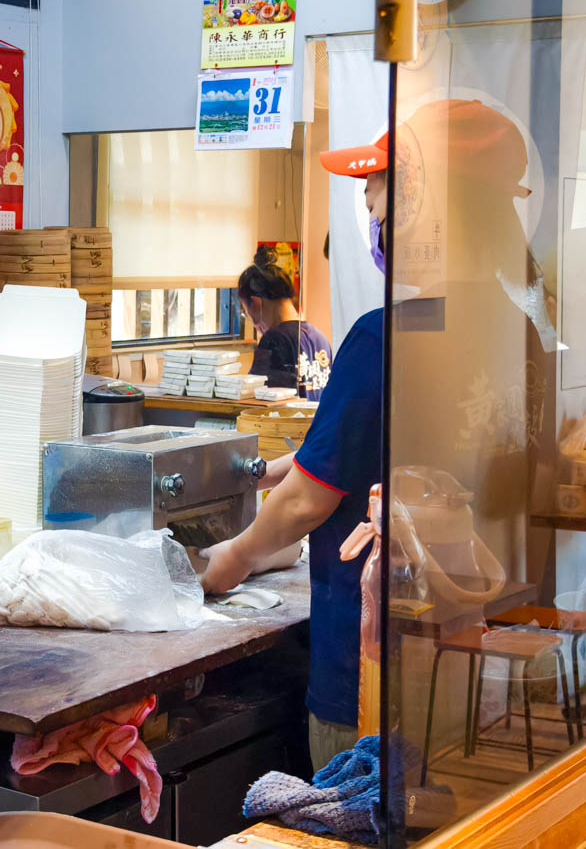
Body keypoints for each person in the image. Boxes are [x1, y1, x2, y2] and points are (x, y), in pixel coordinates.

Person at [203, 98, 546, 772]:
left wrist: (234, 558)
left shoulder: (386, 335)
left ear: (432, 207)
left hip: (373, 662)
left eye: (381, 205)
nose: (373, 217)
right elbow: (435, 451)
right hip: (467, 648)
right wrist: (302, 461)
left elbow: (308, 505)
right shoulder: (516, 329)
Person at [239, 245, 333, 399]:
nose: (254, 324)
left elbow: (257, 401)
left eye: (247, 314)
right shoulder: (320, 338)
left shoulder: (274, 340)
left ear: (255, 303)